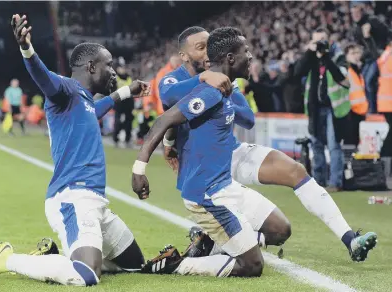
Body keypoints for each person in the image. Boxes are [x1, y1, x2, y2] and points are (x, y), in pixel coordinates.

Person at [162, 26, 377, 262]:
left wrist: (225, 92)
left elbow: (248, 118)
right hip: (202, 167)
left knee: (295, 171)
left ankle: (350, 240)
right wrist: (203, 79)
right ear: (184, 55)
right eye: (200, 48)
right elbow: (168, 98)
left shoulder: (225, 80)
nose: (206, 54)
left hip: (232, 154)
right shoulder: (174, 79)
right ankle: (216, 243)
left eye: (209, 46)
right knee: (260, 233)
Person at [0, 14, 149, 286]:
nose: (113, 71)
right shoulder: (65, 89)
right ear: (90, 66)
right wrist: (26, 48)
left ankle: (59, 257)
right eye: (108, 65)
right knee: (85, 275)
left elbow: (98, 109)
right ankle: (7, 259)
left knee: (135, 266)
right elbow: (43, 77)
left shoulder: (84, 101)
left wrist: (126, 92)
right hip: (73, 197)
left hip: (97, 203)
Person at [133, 27, 285, 278]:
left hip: (226, 185)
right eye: (246, 51)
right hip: (207, 194)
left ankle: (214, 240)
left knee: (280, 229)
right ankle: (177, 264)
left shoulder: (225, 89)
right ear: (230, 58)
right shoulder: (206, 89)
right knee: (252, 266)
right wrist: (139, 168)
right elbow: (165, 117)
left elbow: (247, 118)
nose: (251, 56)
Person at [295, 28, 349, 192]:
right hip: (315, 109)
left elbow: (341, 77)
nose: (320, 44)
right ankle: (318, 182)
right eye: (317, 41)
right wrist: (309, 53)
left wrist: (326, 57)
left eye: (323, 40)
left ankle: (335, 182)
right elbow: (297, 72)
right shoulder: (310, 58)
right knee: (316, 145)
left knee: (334, 146)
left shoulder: (337, 56)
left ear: (329, 40)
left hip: (333, 109)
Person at [350, 2, 392, 113]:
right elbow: (361, 46)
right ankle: (368, 107)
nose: (355, 15)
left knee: (369, 80)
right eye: (353, 13)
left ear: (361, 11)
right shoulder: (356, 27)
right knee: (363, 81)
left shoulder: (373, 20)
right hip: (369, 57)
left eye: (357, 12)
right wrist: (360, 58)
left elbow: (389, 33)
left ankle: (373, 110)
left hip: (380, 55)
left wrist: (390, 49)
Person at [377, 37, 392, 176]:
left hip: (390, 104)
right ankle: (385, 161)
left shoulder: (385, 57)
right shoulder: (391, 56)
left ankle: (388, 162)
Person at [343, 43, 368, 148]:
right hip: (350, 110)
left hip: (358, 110)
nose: (355, 56)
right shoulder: (346, 70)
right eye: (352, 53)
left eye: (357, 53)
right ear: (346, 56)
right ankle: (347, 162)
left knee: (355, 140)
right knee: (350, 140)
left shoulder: (357, 71)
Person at [113, 65, 134, 147]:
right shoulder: (115, 78)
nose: (123, 69)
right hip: (119, 103)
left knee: (129, 122)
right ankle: (115, 138)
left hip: (128, 103)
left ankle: (128, 138)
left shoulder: (129, 77)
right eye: (121, 68)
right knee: (118, 122)